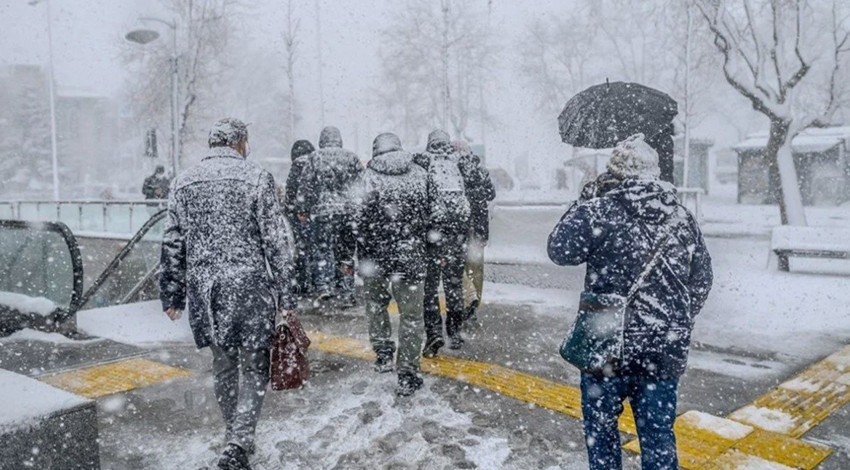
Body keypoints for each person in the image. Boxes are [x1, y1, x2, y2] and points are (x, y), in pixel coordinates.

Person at [547, 134, 712, 470]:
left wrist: (584, 199)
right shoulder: (681, 218)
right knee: (658, 436)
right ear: (655, 173)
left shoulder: (597, 212)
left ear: (614, 173)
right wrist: (674, 318)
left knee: (601, 431)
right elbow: (702, 279)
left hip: (606, 343)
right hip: (663, 347)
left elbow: (559, 250)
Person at [159, 118, 296, 470]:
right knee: (253, 366)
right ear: (240, 142)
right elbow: (276, 241)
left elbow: (173, 240)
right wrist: (286, 295)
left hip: (206, 290)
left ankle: (233, 435)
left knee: (223, 365)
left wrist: (173, 294)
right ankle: (239, 440)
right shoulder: (257, 178)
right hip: (248, 287)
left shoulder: (183, 182)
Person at [350, 133, 430, 396]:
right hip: (411, 256)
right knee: (411, 317)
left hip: (376, 260)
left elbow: (355, 220)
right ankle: (408, 372)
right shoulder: (420, 174)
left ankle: (383, 353)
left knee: (376, 305)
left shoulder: (368, 177)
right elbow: (432, 214)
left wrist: (365, 248)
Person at [415, 130, 471, 356]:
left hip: (432, 235)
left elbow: (419, 199)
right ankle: (455, 332)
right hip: (457, 235)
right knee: (454, 286)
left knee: (429, 289)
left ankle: (434, 333)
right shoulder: (458, 163)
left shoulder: (423, 163)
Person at [296, 126, 363, 306]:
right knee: (345, 253)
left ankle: (324, 287)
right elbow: (360, 187)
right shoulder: (351, 158)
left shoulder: (314, 158)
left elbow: (305, 186)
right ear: (339, 140)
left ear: (321, 140)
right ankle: (346, 290)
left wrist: (302, 209)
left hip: (322, 212)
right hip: (347, 213)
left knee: (322, 250)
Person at [450, 141, 496, 326]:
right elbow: (490, 194)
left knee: (456, 267)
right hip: (478, 229)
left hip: (457, 229)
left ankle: (465, 300)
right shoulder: (480, 170)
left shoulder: (451, 172)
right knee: (476, 269)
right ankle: (474, 304)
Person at [284, 139, 317, 297]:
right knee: (318, 249)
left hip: (298, 216)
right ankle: (318, 284)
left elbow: (290, 193)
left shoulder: (296, 166)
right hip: (315, 214)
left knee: (300, 250)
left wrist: (291, 211)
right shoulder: (315, 164)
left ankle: (302, 284)